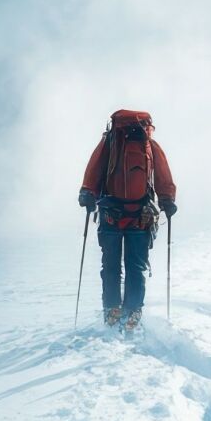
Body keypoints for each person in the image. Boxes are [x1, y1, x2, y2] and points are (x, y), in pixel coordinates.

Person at [78, 108, 178, 328]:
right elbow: (163, 176)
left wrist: (87, 193)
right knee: (136, 265)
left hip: (110, 215)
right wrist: (167, 199)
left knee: (110, 265)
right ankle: (133, 309)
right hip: (141, 216)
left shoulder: (110, 143)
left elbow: (93, 172)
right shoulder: (151, 146)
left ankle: (112, 307)